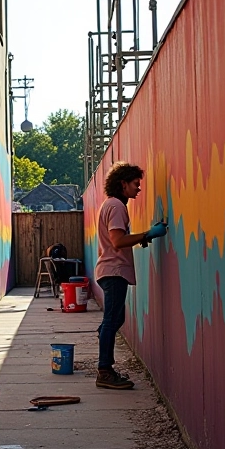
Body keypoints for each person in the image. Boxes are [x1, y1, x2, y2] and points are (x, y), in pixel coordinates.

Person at [95, 162, 167, 389]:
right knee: (111, 321)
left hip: (110, 270)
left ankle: (104, 349)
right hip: (114, 271)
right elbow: (117, 241)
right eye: (135, 184)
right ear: (123, 184)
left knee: (115, 320)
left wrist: (144, 237)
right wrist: (147, 234)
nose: (139, 188)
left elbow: (118, 240)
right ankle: (105, 371)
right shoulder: (117, 206)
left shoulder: (111, 204)